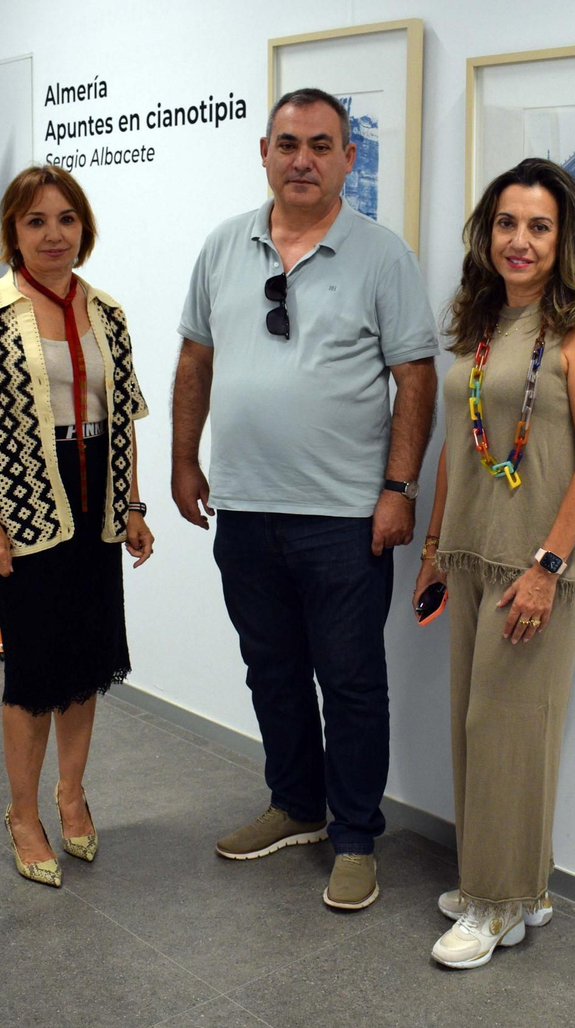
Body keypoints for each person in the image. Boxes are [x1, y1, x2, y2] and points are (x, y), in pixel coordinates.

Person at [172, 89, 439, 910]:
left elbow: (416, 379)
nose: (303, 160)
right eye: (288, 143)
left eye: (322, 146)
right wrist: (183, 460)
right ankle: (296, 805)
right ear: (263, 151)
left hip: (346, 517)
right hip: (246, 509)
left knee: (352, 679)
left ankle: (355, 835)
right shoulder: (224, 246)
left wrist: (397, 490)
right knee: (272, 671)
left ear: (348, 159)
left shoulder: (382, 256)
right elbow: (195, 362)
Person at [0, 165, 154, 887]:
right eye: (35, 221)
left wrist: (134, 506)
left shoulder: (105, 311)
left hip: (95, 504)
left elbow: (123, 418)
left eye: (65, 219)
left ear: (83, 228)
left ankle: (72, 795)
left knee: (85, 662)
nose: (53, 234)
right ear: (13, 233)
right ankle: (24, 813)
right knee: (32, 671)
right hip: (26, 504)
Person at [413, 158, 575, 967]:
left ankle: (494, 906)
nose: (520, 241)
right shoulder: (481, 318)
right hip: (471, 551)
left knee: (508, 730)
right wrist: (434, 548)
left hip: (536, 561)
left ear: (562, 236)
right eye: (506, 223)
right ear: (487, 232)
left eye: (538, 226)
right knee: (476, 725)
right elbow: (451, 448)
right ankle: (513, 888)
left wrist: (546, 566)